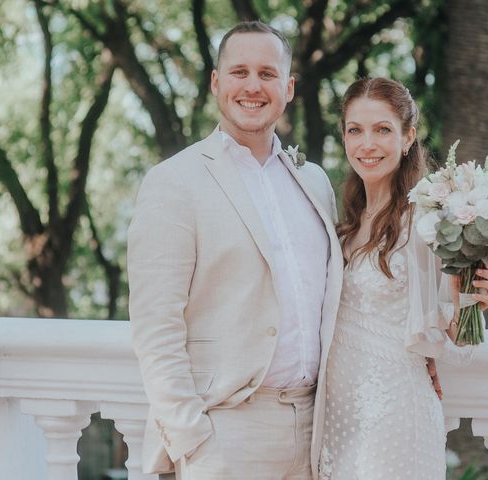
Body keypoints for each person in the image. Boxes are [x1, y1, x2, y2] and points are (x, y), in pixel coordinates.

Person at [127, 21, 343, 479]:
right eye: (239, 71)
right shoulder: (173, 182)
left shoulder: (315, 183)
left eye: (267, 74)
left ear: (287, 88)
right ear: (216, 83)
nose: (252, 86)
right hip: (225, 431)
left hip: (314, 433)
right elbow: (155, 327)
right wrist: (194, 442)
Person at [316, 78, 488, 479]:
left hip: (395, 414)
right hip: (337, 415)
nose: (367, 144)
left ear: (408, 137)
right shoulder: (347, 221)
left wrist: (470, 300)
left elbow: (461, 345)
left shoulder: (428, 223)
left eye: (382, 130)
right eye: (355, 130)